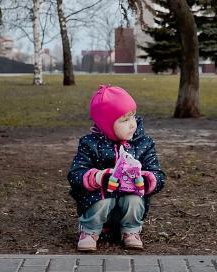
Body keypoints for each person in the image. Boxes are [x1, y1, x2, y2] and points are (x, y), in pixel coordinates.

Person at [67, 85, 166, 252]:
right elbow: (76, 174)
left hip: (130, 198)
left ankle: (131, 231)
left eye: (133, 116)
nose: (132, 125)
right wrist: (99, 177)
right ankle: (90, 232)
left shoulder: (143, 144)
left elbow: (158, 173)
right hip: (99, 200)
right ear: (106, 125)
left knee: (133, 199)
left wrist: (147, 179)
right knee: (104, 199)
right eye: (124, 120)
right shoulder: (90, 144)